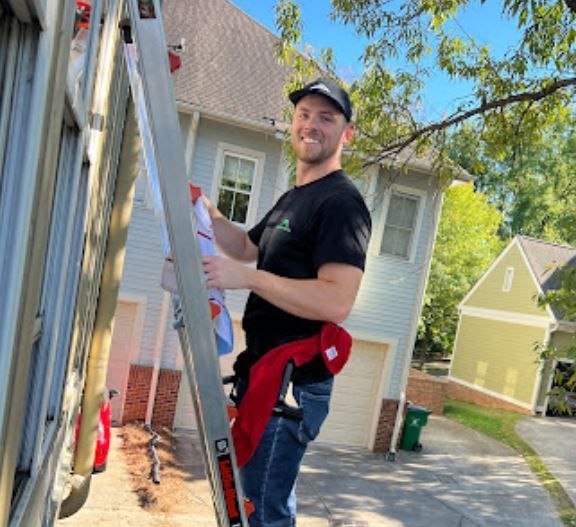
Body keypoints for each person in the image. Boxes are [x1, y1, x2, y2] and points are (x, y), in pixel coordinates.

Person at [202, 78, 372, 527]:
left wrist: (250, 280)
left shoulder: (342, 204)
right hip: (264, 371)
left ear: (346, 134)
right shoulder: (293, 199)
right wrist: (206, 211)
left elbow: (337, 300)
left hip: (290, 382)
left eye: (326, 117)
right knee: (252, 504)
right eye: (304, 114)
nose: (311, 125)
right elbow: (242, 248)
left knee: (261, 512)